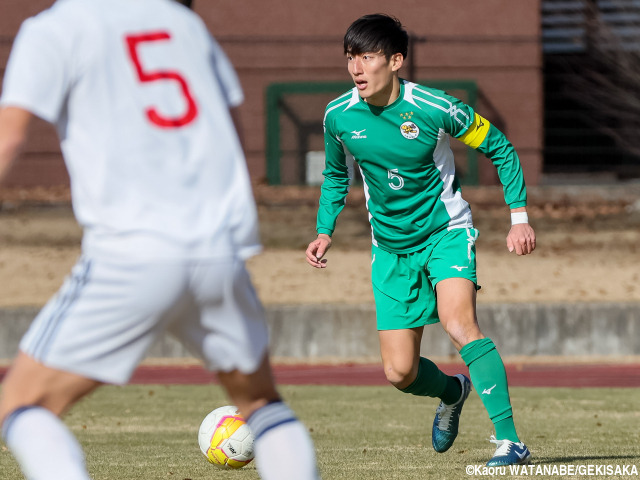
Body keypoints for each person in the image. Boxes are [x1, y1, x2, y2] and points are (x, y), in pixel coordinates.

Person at [0, 1, 321, 479]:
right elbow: (231, 130)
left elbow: (9, 139)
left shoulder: (54, 29)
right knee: (261, 404)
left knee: (22, 406)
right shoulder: (182, 22)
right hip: (218, 250)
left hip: (131, 253)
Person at [305, 13, 535, 467]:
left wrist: (519, 217)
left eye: (366, 57)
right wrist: (324, 229)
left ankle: (511, 442)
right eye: (350, 57)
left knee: (458, 325)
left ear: (395, 61)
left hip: (445, 233)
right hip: (389, 249)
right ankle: (453, 392)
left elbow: (500, 147)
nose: (356, 68)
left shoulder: (434, 107)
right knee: (399, 372)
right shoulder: (338, 116)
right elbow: (335, 176)